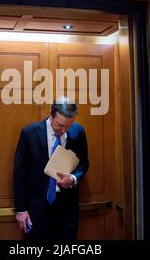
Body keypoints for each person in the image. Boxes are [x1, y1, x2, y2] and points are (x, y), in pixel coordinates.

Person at [13, 97, 89, 240]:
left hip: (67, 210)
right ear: (51, 114)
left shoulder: (78, 131)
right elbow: (20, 173)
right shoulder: (29, 133)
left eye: (68, 126)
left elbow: (83, 162)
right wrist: (21, 209)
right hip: (37, 209)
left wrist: (73, 178)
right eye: (60, 125)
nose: (64, 130)